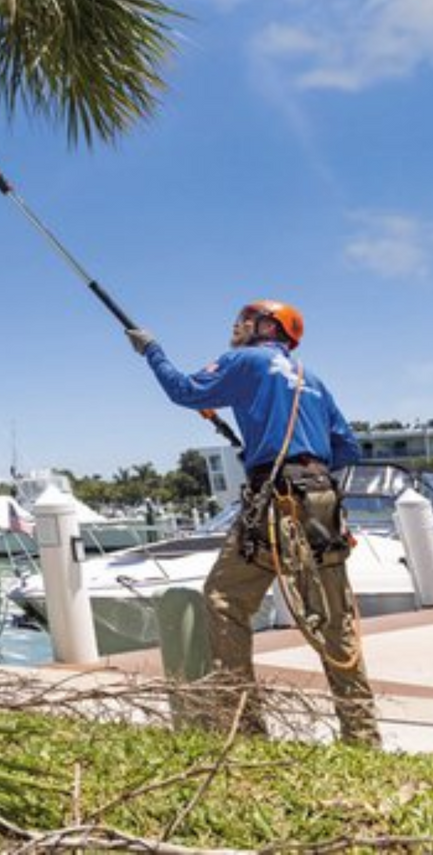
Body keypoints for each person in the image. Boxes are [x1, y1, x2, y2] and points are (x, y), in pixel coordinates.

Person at [126, 299, 380, 746]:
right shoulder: (311, 379)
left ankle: (244, 726)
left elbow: (185, 391)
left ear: (269, 328)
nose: (236, 324)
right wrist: (297, 462)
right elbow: (348, 448)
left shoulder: (246, 360)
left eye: (246, 318)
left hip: (277, 500)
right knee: (336, 622)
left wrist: (152, 352)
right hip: (320, 500)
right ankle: (362, 736)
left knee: (225, 597)